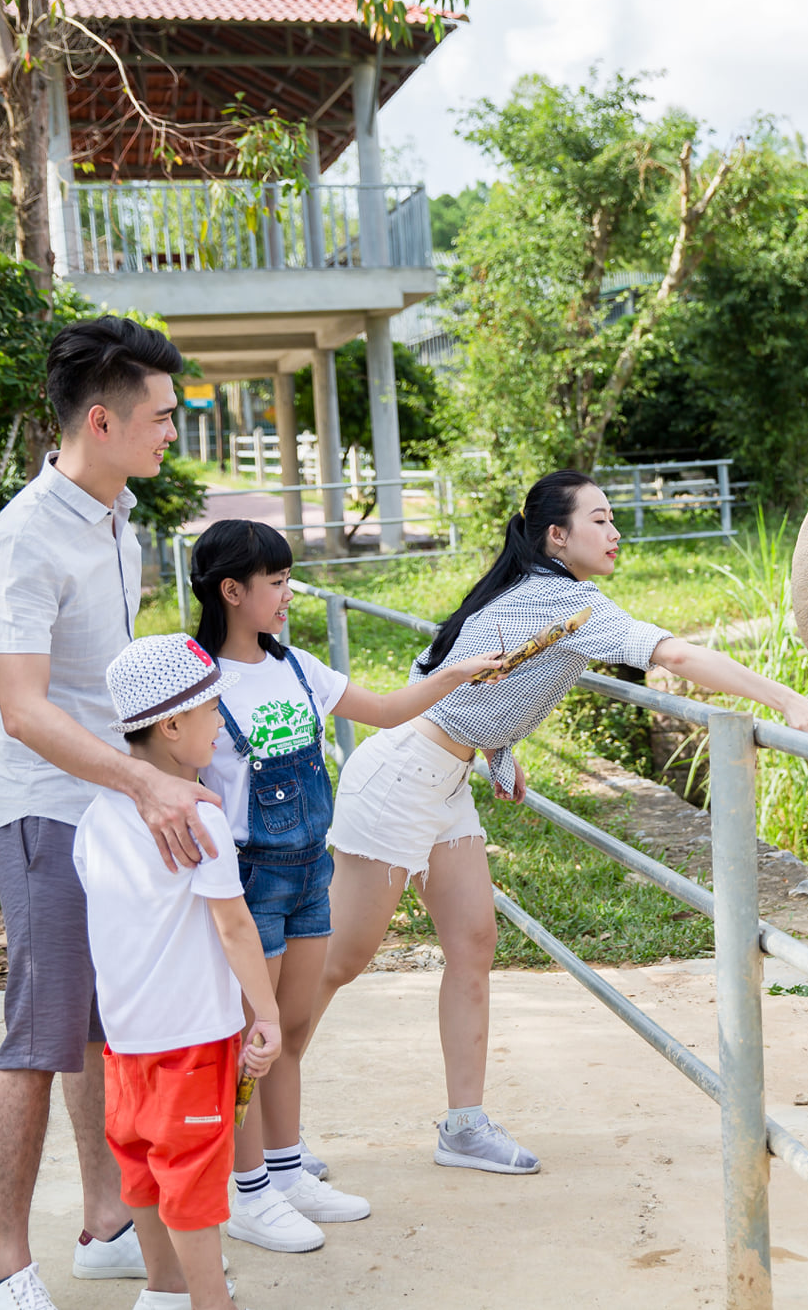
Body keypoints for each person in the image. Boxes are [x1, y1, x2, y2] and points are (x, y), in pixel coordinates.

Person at [310, 469, 808, 1174]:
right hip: (403, 775)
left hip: (444, 777)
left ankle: (463, 1127)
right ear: (557, 535)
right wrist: (784, 697)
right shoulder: (569, 602)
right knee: (338, 960)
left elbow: (473, 674)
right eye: (601, 519)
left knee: (472, 943)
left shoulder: (534, 595)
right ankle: (263, 1134)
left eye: (614, 518)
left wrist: (497, 749)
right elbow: (674, 654)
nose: (615, 532)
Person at [0, 317, 222, 1309]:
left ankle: (107, 1223)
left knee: (99, 1029)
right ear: (101, 419)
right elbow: (26, 709)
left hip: (108, 808)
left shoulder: (117, 520)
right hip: (44, 815)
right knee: (39, 1038)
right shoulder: (25, 540)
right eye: (162, 417)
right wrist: (149, 784)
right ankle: (4, 1267)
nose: (174, 432)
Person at [184, 519, 505, 1253]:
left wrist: (455, 673)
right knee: (249, 1040)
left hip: (308, 872)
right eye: (276, 582)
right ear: (233, 591)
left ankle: (288, 1172)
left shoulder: (295, 665)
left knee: (289, 1031)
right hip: (247, 881)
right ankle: (247, 1189)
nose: (287, 594)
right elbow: (173, 770)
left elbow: (388, 709)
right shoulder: (197, 678)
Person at [76, 634, 283, 1310]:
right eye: (213, 712)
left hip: (126, 1041)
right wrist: (267, 1014)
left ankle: (162, 1291)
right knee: (194, 1179)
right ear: (172, 725)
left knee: (140, 1169)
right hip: (191, 1038)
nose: (222, 724)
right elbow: (233, 924)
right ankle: (210, 1300)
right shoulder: (199, 816)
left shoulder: (93, 819)